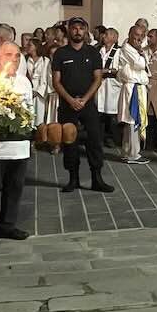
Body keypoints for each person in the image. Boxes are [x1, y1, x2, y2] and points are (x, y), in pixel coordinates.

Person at [52, 17, 113, 193]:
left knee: (94, 141)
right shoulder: (60, 54)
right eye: (74, 28)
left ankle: (97, 179)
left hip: (88, 105)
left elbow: (97, 79)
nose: (77, 31)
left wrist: (85, 99)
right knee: (70, 142)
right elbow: (56, 81)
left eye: (81, 28)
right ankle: (73, 179)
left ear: (85, 30)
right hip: (67, 105)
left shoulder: (93, 53)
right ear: (69, 31)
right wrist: (70, 100)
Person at [0, 41, 33, 240]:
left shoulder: (23, 82)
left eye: (18, 55)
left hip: (19, 147)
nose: (15, 59)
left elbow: (29, 111)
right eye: (10, 54)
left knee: (15, 188)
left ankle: (8, 225)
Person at [116, 24, 151, 165]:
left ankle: (127, 151)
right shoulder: (128, 48)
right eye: (136, 35)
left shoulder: (136, 49)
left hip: (138, 87)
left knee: (133, 120)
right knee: (133, 120)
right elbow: (140, 65)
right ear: (130, 35)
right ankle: (133, 154)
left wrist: (142, 54)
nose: (139, 38)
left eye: (142, 35)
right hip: (133, 89)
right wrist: (141, 53)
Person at [26, 39, 57, 133]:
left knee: (39, 115)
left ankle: (39, 136)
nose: (28, 47)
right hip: (28, 89)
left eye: (30, 45)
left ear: (36, 47)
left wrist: (38, 91)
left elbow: (45, 78)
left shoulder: (44, 60)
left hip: (40, 92)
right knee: (28, 115)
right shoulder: (26, 59)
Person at [97, 28, 121, 146]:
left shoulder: (119, 51)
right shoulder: (99, 50)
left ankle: (111, 137)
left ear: (114, 38)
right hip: (100, 84)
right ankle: (99, 137)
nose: (104, 36)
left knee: (112, 112)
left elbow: (121, 69)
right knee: (99, 111)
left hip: (112, 85)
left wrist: (108, 70)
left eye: (107, 34)